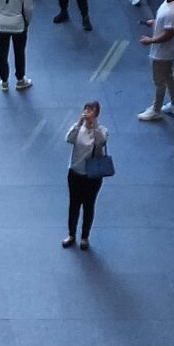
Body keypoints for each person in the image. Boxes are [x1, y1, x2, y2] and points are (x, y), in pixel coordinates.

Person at [61, 101, 110, 249]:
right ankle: (71, 234)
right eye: (86, 110)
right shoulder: (78, 128)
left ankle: (85, 237)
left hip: (92, 176)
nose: (87, 113)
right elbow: (69, 139)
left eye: (91, 110)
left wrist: (93, 125)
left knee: (89, 205)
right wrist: (79, 123)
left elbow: (101, 141)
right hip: (75, 172)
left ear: (96, 114)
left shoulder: (101, 130)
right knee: (74, 205)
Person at [138, 0, 174, 121]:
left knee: (159, 82)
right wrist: (156, 22)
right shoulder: (170, 3)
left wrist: (150, 40)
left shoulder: (173, 12)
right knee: (169, 75)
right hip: (165, 52)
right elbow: (166, 25)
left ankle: (155, 110)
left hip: (162, 53)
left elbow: (168, 34)